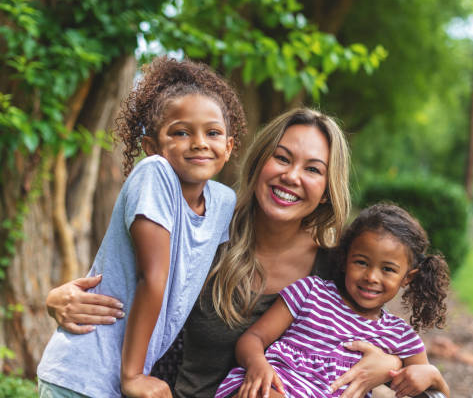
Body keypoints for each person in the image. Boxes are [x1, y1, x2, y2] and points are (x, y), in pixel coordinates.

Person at [45, 108, 447, 398]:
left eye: (313, 169)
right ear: (260, 159)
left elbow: (372, 333)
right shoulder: (209, 230)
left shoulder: (336, 266)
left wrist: (392, 366)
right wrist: (57, 299)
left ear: (327, 188)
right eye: (283, 157)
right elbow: (136, 278)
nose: (291, 177)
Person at [37, 56, 245, 398]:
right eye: (180, 132)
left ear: (229, 147)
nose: (199, 142)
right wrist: (133, 376)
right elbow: (155, 276)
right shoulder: (155, 174)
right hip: (84, 371)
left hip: (121, 379)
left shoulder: (223, 202)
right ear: (151, 146)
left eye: (213, 133)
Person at [214, 203, 450, 398]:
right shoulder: (311, 292)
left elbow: (436, 393)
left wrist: (433, 375)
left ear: (407, 278)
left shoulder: (398, 335)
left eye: (388, 269)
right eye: (361, 262)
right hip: (274, 386)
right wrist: (257, 364)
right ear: (344, 258)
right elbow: (253, 337)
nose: (371, 277)